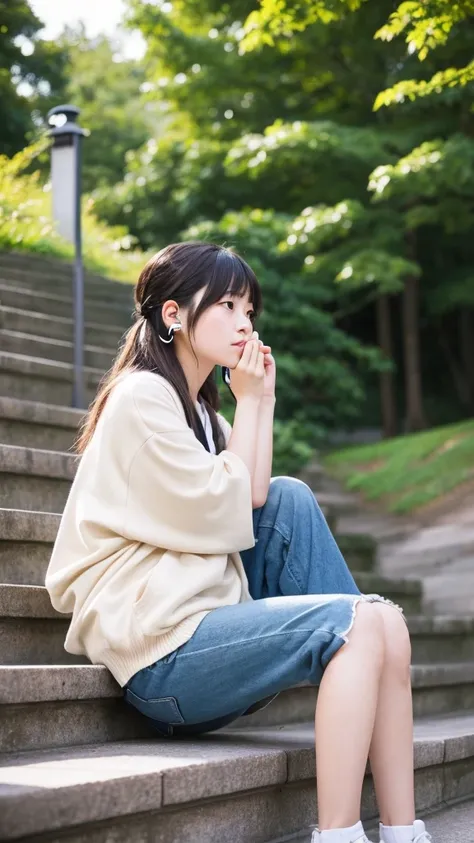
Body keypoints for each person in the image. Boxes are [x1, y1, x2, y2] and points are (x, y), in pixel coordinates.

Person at [45, 241, 432, 843]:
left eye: (250, 308)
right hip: (162, 656)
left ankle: (406, 831)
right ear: (173, 315)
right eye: (227, 304)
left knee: (376, 614)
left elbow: (254, 497)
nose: (245, 322)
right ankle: (338, 835)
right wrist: (253, 401)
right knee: (355, 622)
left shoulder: (204, 415)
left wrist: (260, 402)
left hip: (208, 634)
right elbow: (234, 504)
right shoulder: (140, 398)